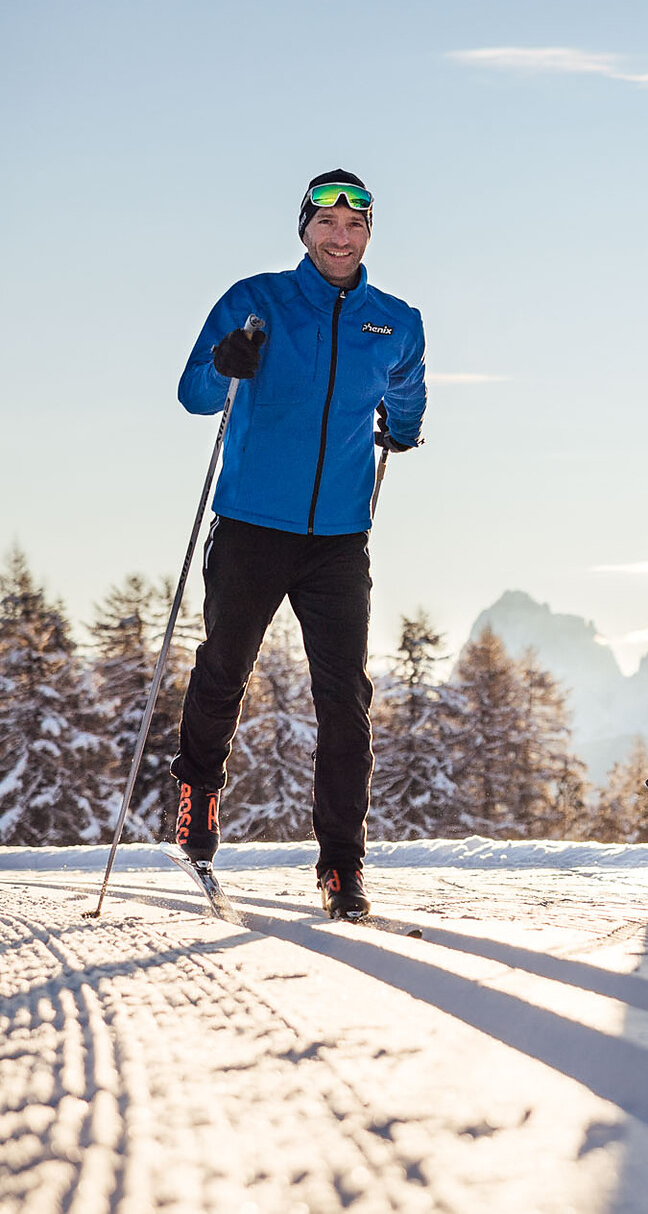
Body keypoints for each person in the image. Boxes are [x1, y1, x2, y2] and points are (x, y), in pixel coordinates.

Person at [170, 169, 426, 921]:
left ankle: (342, 866)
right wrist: (225, 363)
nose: (339, 237)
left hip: (340, 538)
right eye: (325, 224)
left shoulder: (396, 319)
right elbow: (193, 392)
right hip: (252, 523)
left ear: (368, 233)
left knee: (344, 698)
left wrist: (402, 429)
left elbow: (408, 385)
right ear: (305, 230)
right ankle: (197, 798)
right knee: (224, 667)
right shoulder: (257, 300)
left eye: (354, 225)